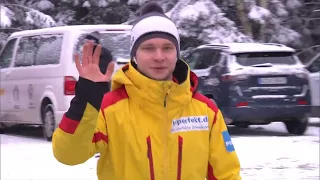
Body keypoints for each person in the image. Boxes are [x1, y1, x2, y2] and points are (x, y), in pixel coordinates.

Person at [52, 2, 241, 180]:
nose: (159, 57)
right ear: (135, 55)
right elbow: (68, 154)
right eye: (148, 48)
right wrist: (86, 100)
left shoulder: (205, 111)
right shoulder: (109, 109)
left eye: (167, 48)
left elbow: (226, 174)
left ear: (177, 54)